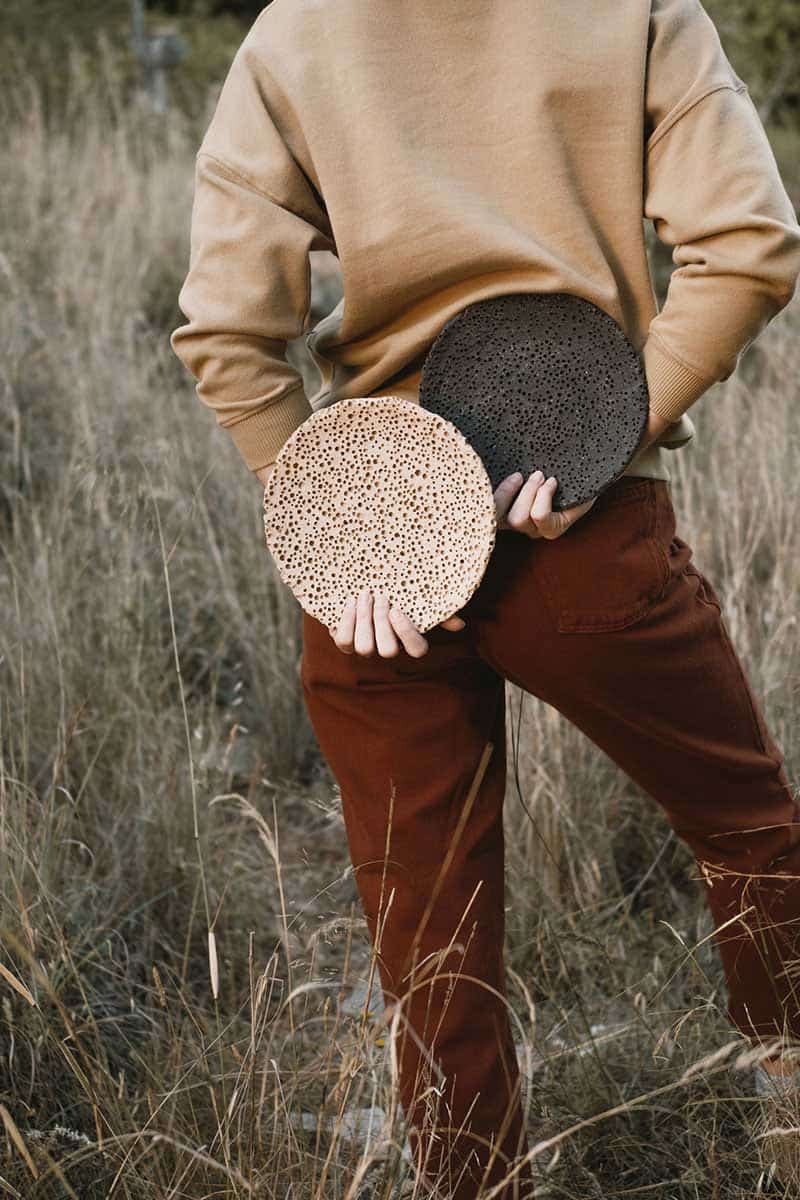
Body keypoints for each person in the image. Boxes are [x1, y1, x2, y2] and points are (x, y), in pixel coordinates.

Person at [171, 1, 800, 1194]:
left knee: (428, 944)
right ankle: (788, 1100)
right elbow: (748, 243)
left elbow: (224, 332)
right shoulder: (640, 8)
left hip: (376, 564)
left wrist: (339, 524)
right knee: (747, 829)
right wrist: (607, 435)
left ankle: (472, 1182)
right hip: (577, 529)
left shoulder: (295, 30)